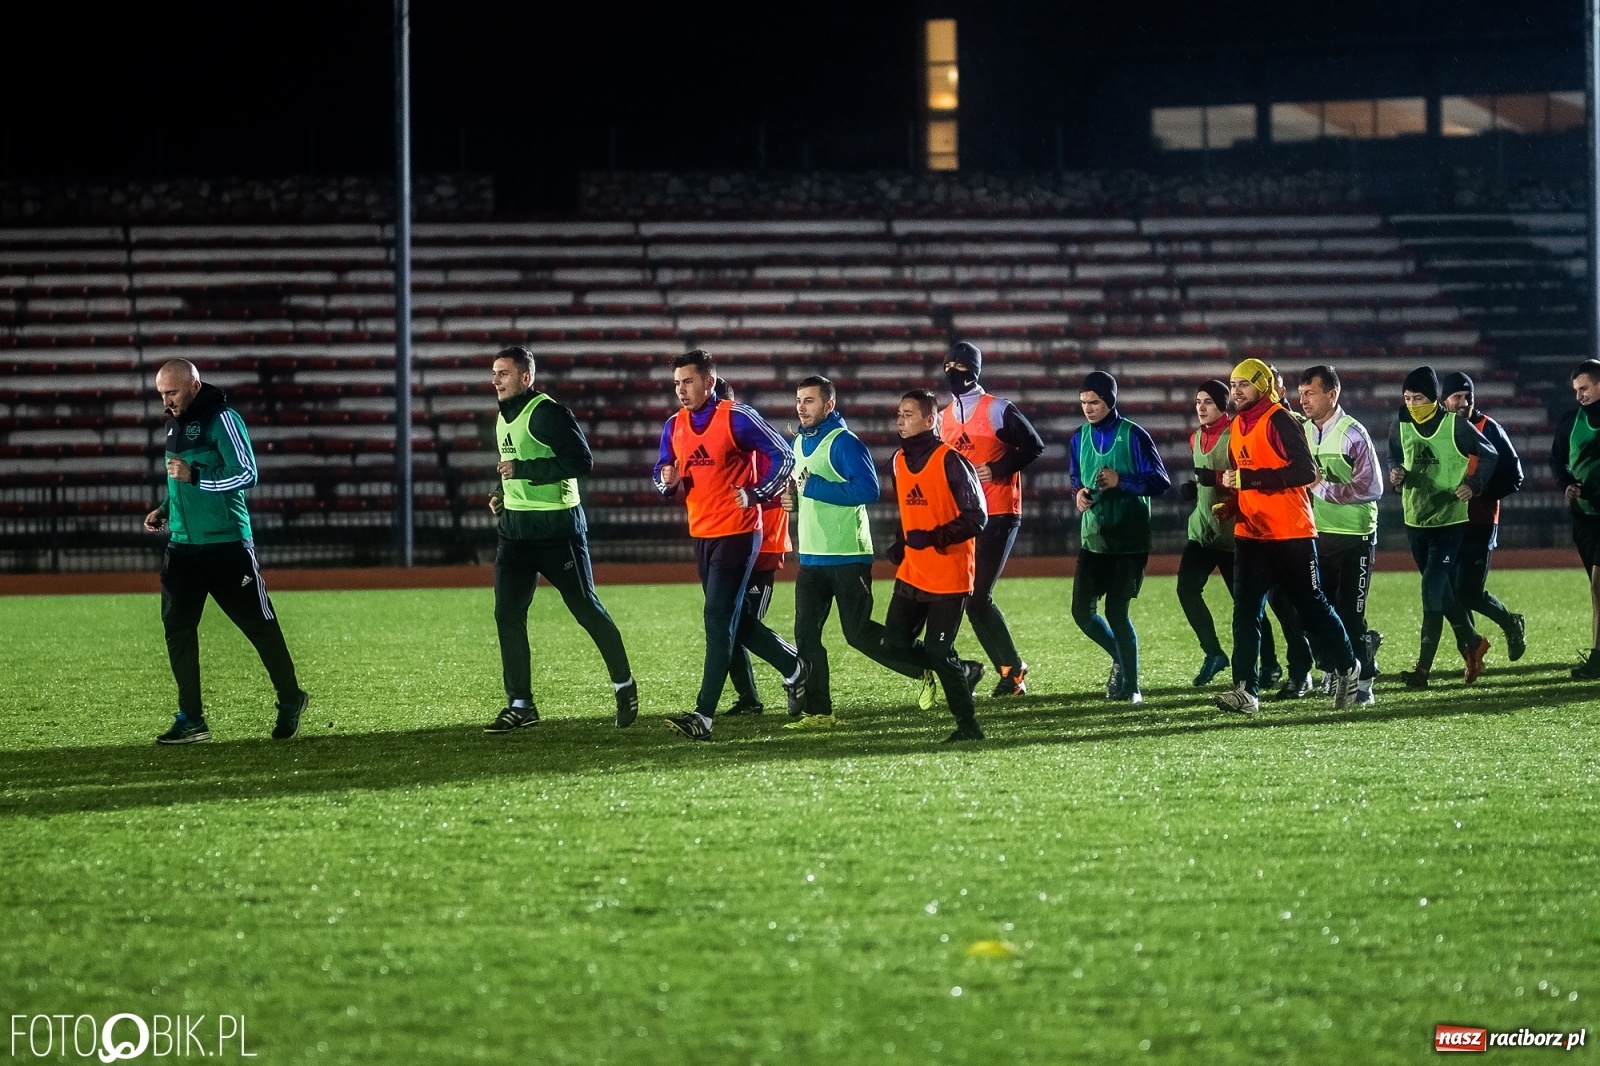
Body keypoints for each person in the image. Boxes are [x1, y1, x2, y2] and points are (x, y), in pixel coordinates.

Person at [143, 358, 307, 744]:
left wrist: (196, 476)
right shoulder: (175, 423)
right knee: (177, 630)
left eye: (172, 392)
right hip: (182, 548)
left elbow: (247, 473)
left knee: (259, 627)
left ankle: (290, 697)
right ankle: (192, 718)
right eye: (161, 394)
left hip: (227, 545)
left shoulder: (224, 419)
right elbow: (179, 479)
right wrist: (165, 509)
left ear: (195, 386)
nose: (166, 401)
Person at [653, 349, 807, 740]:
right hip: (701, 534)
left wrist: (757, 494)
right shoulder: (674, 425)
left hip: (739, 532)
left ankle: (703, 715)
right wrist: (666, 482)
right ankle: (794, 666)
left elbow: (784, 455)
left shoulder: (736, 416)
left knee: (717, 618)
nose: (681, 390)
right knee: (732, 621)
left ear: (709, 381)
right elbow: (661, 473)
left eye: (688, 382)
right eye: (676, 384)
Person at [486, 346, 638, 732]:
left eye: (503, 373)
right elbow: (517, 468)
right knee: (507, 613)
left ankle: (624, 685)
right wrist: (504, 496)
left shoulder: (548, 413)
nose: (495, 380)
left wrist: (522, 470)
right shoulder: (504, 417)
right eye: (494, 373)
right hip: (515, 532)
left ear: (526, 378)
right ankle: (520, 704)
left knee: (586, 608)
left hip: (557, 530)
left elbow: (581, 461)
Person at [1215, 358, 1360, 715]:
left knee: (1312, 608)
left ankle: (1348, 665)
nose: (1237, 391)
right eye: (1233, 385)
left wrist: (1249, 481)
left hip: (1291, 534)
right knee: (1245, 612)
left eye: (1245, 384)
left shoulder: (1280, 418)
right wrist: (1233, 503)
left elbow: (1304, 471)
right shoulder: (1235, 426)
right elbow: (1243, 474)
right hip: (1251, 534)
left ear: (1263, 386)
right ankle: (1246, 690)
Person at [786, 375, 927, 726]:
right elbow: (805, 491)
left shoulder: (845, 442)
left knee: (858, 633)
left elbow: (868, 490)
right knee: (805, 635)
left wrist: (814, 487)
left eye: (810, 401)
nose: (802, 407)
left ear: (829, 405)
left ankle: (932, 666)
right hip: (812, 557)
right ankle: (820, 712)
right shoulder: (799, 443)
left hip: (848, 555)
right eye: (799, 400)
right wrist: (794, 502)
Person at [937, 341, 1045, 696]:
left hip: (1000, 511)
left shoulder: (997, 409)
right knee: (971, 598)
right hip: (969, 517)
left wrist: (997, 468)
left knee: (977, 596)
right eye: (949, 365)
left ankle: (1012, 672)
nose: (954, 371)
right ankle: (1010, 671)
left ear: (975, 370)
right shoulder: (944, 417)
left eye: (961, 365)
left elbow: (1033, 445)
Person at [884, 389, 987, 742]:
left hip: (949, 574)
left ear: (930, 420)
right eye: (899, 413)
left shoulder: (951, 460)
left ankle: (968, 728)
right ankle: (962, 670)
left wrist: (933, 537)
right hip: (913, 570)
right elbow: (908, 511)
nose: (900, 419)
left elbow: (977, 517)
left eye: (909, 414)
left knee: (938, 653)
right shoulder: (898, 461)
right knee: (894, 643)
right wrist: (901, 543)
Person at [1279, 364, 1386, 705]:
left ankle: (1364, 683)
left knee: (1349, 615)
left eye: (1310, 393)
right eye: (1301, 393)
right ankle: (1337, 665)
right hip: (1316, 534)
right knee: (1312, 612)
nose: (1303, 400)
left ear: (1332, 393)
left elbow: (1373, 487)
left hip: (1355, 536)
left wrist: (1322, 488)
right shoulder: (1304, 432)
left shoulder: (1353, 432)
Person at [1388, 366, 1499, 688]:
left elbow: (1490, 454)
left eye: (1418, 397)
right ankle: (1474, 641)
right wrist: (1396, 474)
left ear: (1434, 397)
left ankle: (1422, 671)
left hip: (1449, 522)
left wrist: (1474, 484)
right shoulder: (1400, 425)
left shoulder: (1456, 426)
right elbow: (1394, 457)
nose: (1412, 404)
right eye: (1407, 398)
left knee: (1430, 592)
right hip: (1416, 521)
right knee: (1445, 593)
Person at [1068, 371, 1170, 705]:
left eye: (1094, 402)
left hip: (1129, 540)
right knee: (1082, 613)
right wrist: (1079, 494)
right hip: (1094, 539)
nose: (1088, 408)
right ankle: (1122, 660)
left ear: (1110, 401)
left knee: (1116, 613)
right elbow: (1075, 477)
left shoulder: (1134, 435)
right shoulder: (1078, 438)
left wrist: (1122, 481)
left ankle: (1132, 686)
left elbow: (1160, 481)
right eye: (1083, 402)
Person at [1175, 378, 1282, 686]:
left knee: (1247, 606)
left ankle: (1271, 664)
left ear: (1223, 404)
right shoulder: (1195, 438)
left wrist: (1217, 482)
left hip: (1236, 534)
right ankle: (1213, 653)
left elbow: (1245, 477)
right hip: (1204, 531)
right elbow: (1204, 481)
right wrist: (1193, 490)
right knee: (1186, 589)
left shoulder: (1236, 433)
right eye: (1198, 402)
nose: (1201, 407)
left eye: (1208, 402)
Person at [711, 378, 791, 717]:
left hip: (761, 546)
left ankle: (796, 668)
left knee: (735, 624)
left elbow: (778, 489)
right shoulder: (732, 444)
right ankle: (749, 697)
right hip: (738, 544)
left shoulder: (751, 443)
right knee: (727, 623)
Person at [1441, 371, 1527, 663]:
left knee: (1469, 592)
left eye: (1468, 397)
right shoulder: (1440, 428)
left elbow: (1514, 476)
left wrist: (1480, 491)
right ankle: (1470, 653)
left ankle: (1509, 623)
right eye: (1458, 397)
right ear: (1444, 400)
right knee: (1449, 593)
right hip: (1446, 521)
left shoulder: (1489, 428)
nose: (1464, 403)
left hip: (1479, 523)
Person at [1550, 359, 1600, 679]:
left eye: (1584, 388)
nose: (1579, 395)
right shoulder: (1571, 421)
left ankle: (1597, 659)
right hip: (1584, 518)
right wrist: (1566, 484)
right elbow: (1556, 461)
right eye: (1575, 390)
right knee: (1596, 593)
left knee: (1599, 588)